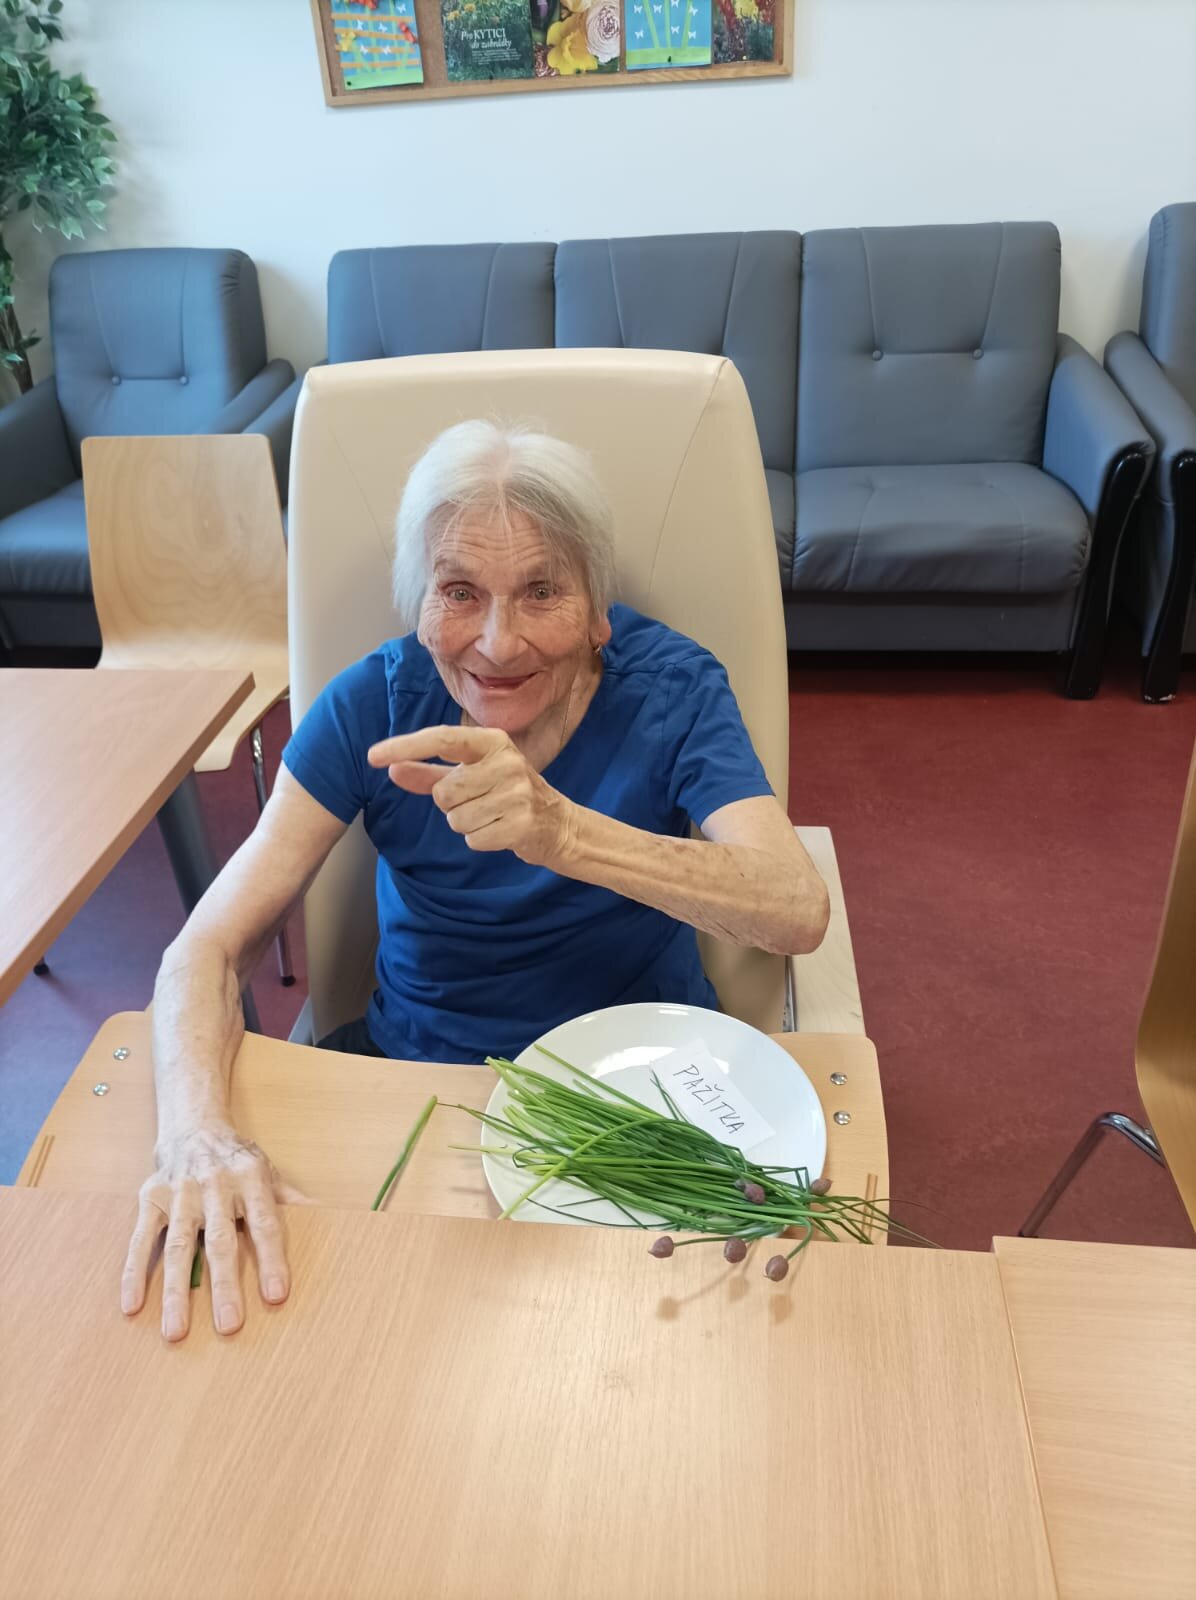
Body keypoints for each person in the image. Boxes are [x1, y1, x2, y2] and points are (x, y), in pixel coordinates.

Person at [121, 421, 829, 1343]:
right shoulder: (372, 703)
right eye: (459, 592)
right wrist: (193, 1137)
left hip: (643, 1097)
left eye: (542, 591)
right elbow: (206, 949)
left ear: (598, 609)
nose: (497, 643)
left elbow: (794, 908)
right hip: (421, 1088)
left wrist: (562, 831)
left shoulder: (673, 689)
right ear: (419, 605)